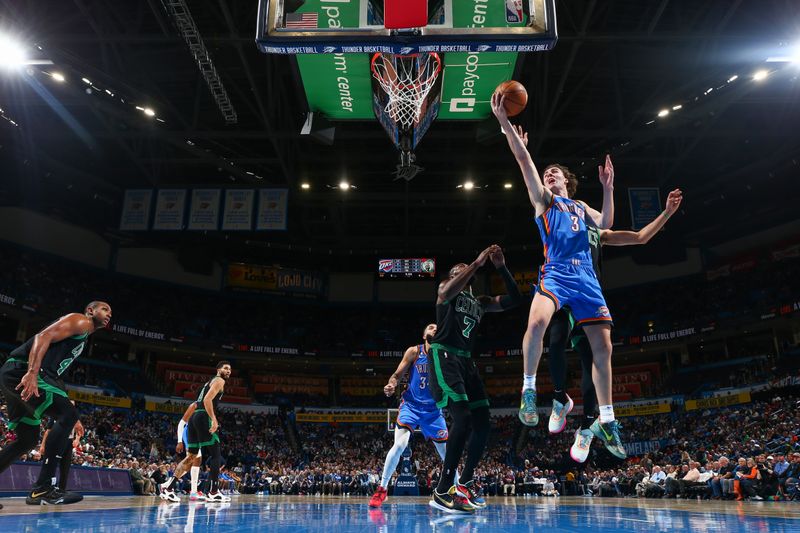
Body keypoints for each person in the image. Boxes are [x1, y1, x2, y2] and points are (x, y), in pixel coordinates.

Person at [492, 93, 623, 457]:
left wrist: (609, 188)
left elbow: (607, 223)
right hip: (557, 272)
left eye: (554, 171)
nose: (548, 172)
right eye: (545, 171)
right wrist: (505, 125)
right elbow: (523, 159)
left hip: (587, 280)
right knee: (536, 325)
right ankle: (529, 389)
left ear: (567, 179)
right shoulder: (544, 201)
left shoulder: (580, 206)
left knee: (604, 347)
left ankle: (608, 420)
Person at [557, 189, 684, 462]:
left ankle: (587, 427)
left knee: (590, 361)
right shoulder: (557, 221)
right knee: (553, 339)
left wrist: (667, 213)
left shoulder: (597, 233)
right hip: (562, 293)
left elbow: (640, 237)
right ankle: (556, 398)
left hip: (588, 300)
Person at [428, 245, 523, 513]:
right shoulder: (447, 291)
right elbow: (445, 290)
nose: (462, 269)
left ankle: (465, 483)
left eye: (465, 268)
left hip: (467, 361)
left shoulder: (480, 301)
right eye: (458, 269)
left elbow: (515, 300)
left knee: (482, 422)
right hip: (445, 356)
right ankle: (442, 488)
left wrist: (501, 267)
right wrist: (477, 262)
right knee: (463, 417)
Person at [0, 301, 111, 506]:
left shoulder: (82, 336)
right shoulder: (81, 320)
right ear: (90, 310)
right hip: (24, 371)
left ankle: (42, 488)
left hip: (13, 374)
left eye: (110, 312)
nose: (109, 314)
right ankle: (42, 488)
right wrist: (32, 373)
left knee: (27, 439)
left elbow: (55, 378)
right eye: (104, 309)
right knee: (67, 415)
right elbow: (43, 336)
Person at [369, 324, 456, 508]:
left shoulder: (444, 354)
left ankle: (457, 492)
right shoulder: (414, 352)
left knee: (447, 453)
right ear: (424, 334)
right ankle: (382, 489)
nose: (434, 328)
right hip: (411, 406)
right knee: (400, 444)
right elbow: (397, 374)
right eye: (431, 327)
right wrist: (391, 385)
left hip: (433, 411)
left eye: (437, 328)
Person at [187, 361, 232, 502]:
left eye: (230, 369)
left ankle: (169, 487)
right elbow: (207, 400)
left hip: (194, 417)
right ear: (218, 370)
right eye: (225, 368)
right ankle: (213, 492)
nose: (228, 371)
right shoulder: (219, 380)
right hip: (203, 416)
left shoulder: (208, 383)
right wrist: (214, 419)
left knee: (191, 456)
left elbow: (199, 400)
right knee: (216, 454)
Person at [159, 401, 204, 502]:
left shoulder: (208, 407)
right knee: (193, 459)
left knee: (192, 462)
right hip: (189, 433)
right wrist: (179, 441)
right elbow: (181, 423)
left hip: (197, 436)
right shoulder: (195, 405)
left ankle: (166, 485)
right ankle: (192, 492)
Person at [39, 401, 85, 492]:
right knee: (52, 465)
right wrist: (43, 445)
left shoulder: (75, 417)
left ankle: (61, 490)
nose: (72, 406)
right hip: (56, 440)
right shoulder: (56, 415)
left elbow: (79, 431)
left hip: (68, 443)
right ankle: (47, 488)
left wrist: (77, 439)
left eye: (73, 405)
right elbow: (48, 431)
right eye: (70, 405)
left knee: (65, 468)